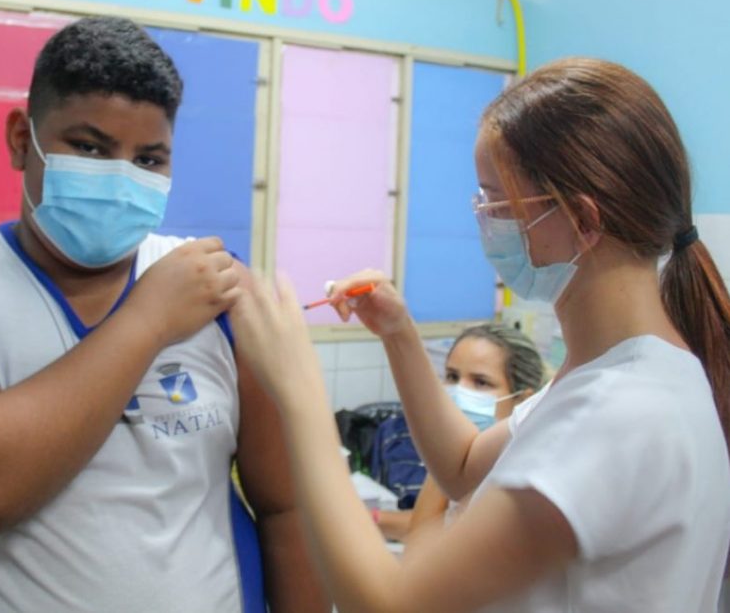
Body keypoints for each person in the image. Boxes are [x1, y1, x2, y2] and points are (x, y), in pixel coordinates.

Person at [0, 17, 327, 612]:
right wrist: (148, 318)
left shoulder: (212, 284)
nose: (121, 177)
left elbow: (287, 504)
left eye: (149, 159)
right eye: (89, 147)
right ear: (22, 139)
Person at [232, 57, 730, 611]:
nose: (483, 219)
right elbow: (464, 467)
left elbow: (387, 605)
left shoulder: (618, 414)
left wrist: (298, 391)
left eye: (496, 201)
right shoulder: (635, 373)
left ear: (584, 221)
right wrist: (398, 333)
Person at [375, 322, 545, 541]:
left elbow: (421, 553)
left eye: (481, 382)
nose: (459, 392)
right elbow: (423, 533)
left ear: (522, 400)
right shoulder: (460, 457)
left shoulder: (520, 478)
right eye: (453, 377)